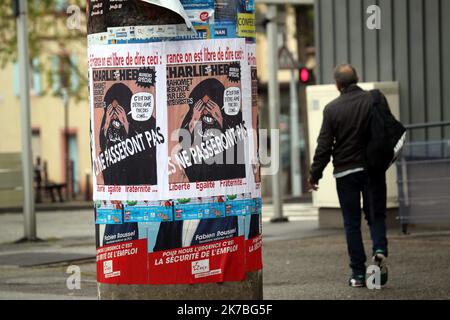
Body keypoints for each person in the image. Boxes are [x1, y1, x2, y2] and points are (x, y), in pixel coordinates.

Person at [308, 64, 389, 288]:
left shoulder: (332, 109)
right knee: (376, 215)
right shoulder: (374, 99)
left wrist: (315, 175)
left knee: (351, 224)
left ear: (337, 85)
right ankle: (379, 248)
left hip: (345, 172)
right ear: (358, 79)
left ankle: (359, 275)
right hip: (372, 168)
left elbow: (324, 146)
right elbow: (385, 131)